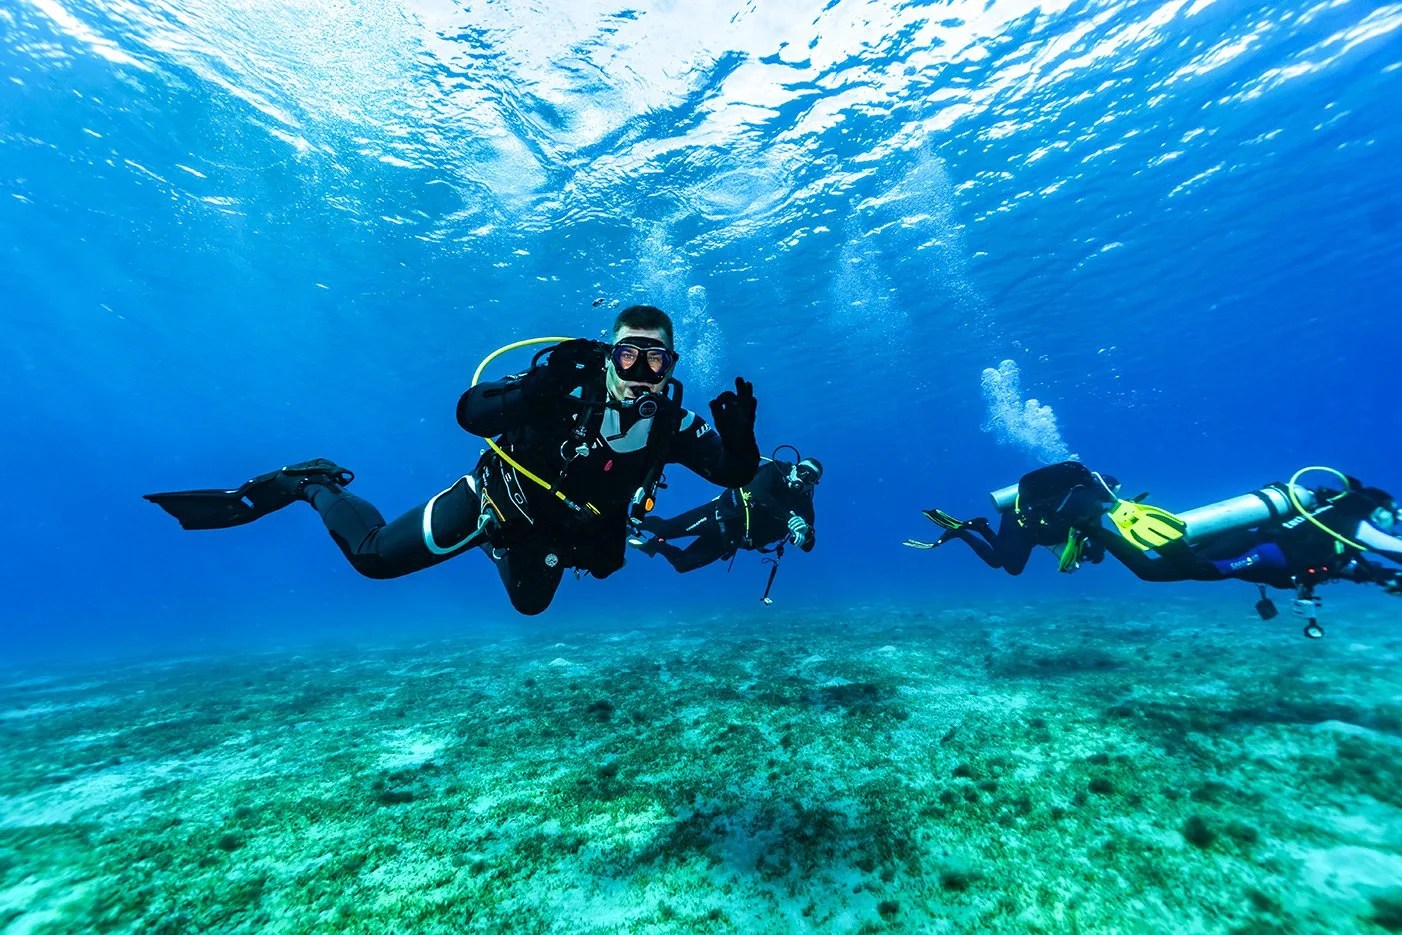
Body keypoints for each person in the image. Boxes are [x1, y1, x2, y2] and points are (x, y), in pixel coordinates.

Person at [145, 305, 761, 615]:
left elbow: (732, 475)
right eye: (629, 355)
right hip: (494, 501)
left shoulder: (672, 425)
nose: (641, 373)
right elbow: (470, 413)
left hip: (561, 532)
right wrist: (535, 391)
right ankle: (311, 481)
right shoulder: (567, 387)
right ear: (609, 355)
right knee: (374, 560)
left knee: (531, 605)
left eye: (656, 360)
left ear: (671, 366)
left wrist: (742, 446)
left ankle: (500, 550)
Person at [1084, 480, 1402, 593]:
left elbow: (1343, 565)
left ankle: (1089, 526)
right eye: (1393, 515)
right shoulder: (1354, 523)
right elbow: (1394, 549)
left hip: (1252, 546)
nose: (1393, 523)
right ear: (1377, 509)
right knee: (1200, 570)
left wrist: (1384, 577)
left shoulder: (1334, 524)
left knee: (1151, 572)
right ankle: (1142, 525)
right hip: (1260, 552)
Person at [902, 461, 1138, 575]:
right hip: (1021, 524)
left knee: (1001, 561)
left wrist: (1091, 549)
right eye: (1113, 495)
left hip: (1031, 526)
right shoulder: (1089, 504)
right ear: (1107, 491)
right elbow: (1092, 533)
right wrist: (1097, 551)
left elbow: (1084, 531)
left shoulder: (1083, 498)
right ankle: (962, 532)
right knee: (1008, 566)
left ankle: (981, 527)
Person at [627, 455, 821, 572]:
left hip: (730, 540)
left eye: (811, 479)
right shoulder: (775, 470)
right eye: (802, 471)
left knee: (683, 565)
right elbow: (759, 492)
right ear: (794, 468)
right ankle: (626, 522)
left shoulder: (804, 506)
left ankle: (656, 546)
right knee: (666, 529)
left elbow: (809, 546)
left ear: (813, 485)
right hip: (718, 516)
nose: (804, 479)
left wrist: (806, 533)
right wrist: (789, 518)